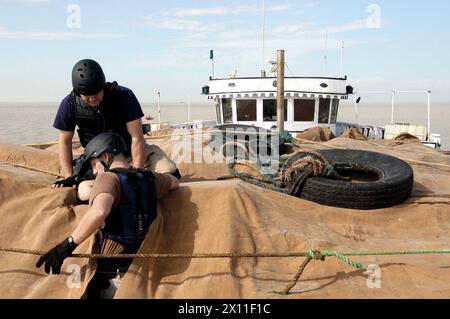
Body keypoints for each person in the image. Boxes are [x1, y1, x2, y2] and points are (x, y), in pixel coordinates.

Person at [36, 132, 180, 298]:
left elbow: (100, 211)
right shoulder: (150, 178)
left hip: (115, 271)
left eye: (94, 164)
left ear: (105, 157)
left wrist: (66, 245)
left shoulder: (107, 178)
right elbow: (173, 182)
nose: (94, 172)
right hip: (147, 266)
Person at [52, 59, 179, 198]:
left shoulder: (124, 96)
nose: (92, 99)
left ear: (103, 86)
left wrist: (137, 172)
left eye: (96, 93)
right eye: (86, 97)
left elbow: (136, 137)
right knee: (85, 193)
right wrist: (69, 176)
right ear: (78, 93)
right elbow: (64, 141)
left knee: (170, 170)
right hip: (97, 161)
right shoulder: (69, 104)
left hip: (130, 152)